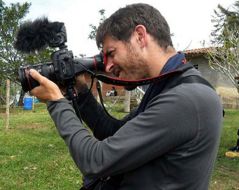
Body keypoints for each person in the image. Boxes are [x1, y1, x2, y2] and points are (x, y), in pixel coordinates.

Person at [28, 3, 223, 190]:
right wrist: (80, 91)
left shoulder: (187, 99)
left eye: (111, 53)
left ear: (140, 36)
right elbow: (114, 132)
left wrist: (56, 102)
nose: (109, 66)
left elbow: (96, 161)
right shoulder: (169, 87)